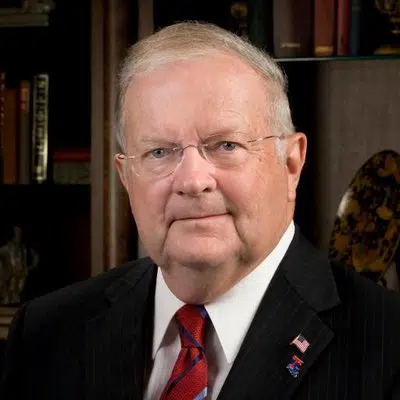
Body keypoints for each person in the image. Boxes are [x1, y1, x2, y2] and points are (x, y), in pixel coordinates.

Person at [1, 21, 400, 400]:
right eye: (159, 151)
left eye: (226, 145)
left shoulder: (388, 345)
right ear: (126, 178)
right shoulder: (47, 334)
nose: (192, 180)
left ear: (291, 164)